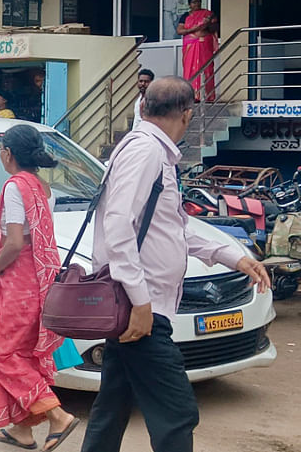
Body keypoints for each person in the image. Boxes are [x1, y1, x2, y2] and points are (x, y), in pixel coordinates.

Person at [81, 77, 271, 452]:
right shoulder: (146, 152)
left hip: (139, 304)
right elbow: (118, 225)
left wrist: (234, 257)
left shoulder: (150, 151)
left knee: (113, 405)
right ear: (187, 115)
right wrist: (140, 302)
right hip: (143, 308)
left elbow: (175, 230)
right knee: (177, 412)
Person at [0, 125, 78, 451]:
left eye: (1, 150)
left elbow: (12, 242)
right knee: (23, 354)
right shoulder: (42, 186)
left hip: (17, 283)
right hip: (40, 282)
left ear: (8, 153)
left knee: (6, 354)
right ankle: (22, 430)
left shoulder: (14, 187)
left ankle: (57, 416)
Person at [176, 0, 218, 102]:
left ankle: (209, 96)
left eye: (199, 1)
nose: (197, 4)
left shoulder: (208, 14)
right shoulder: (185, 16)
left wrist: (206, 24)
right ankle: (192, 95)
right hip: (190, 45)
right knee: (190, 69)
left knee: (207, 69)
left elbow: (215, 27)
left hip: (205, 44)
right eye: (194, 2)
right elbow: (180, 31)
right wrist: (195, 28)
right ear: (189, 5)